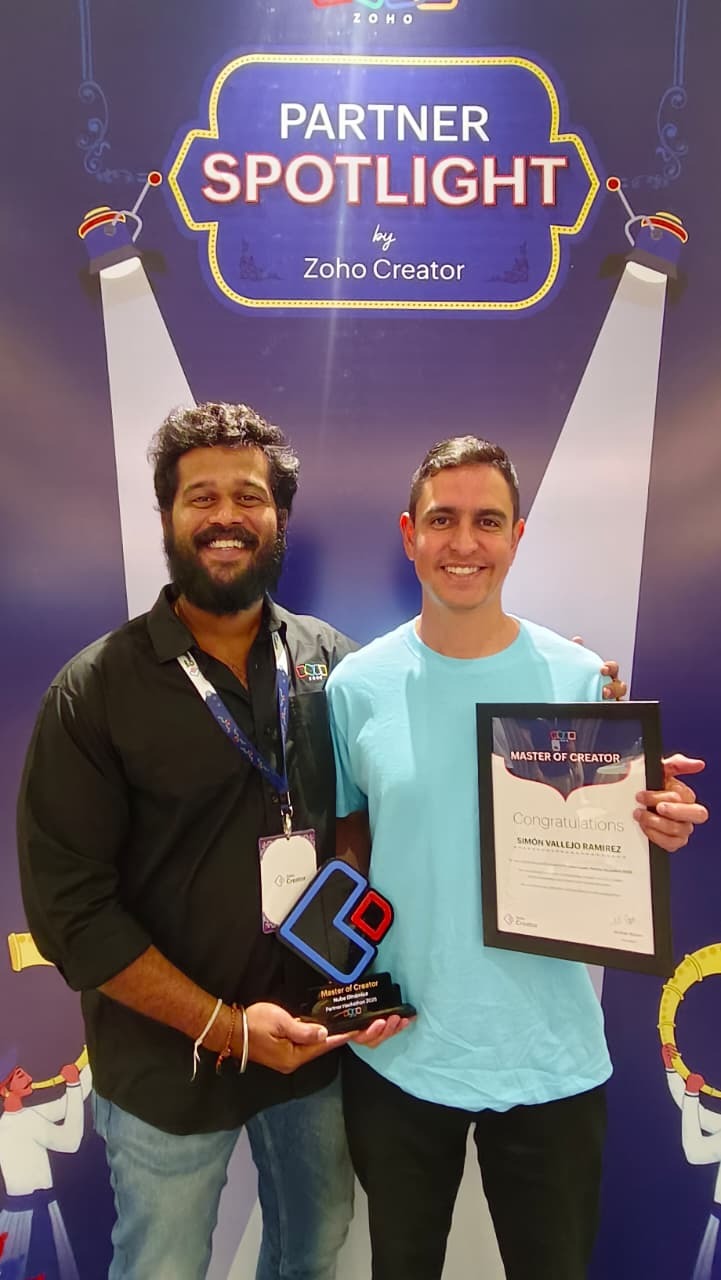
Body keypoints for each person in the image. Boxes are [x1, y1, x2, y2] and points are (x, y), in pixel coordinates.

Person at [16, 402, 403, 1280]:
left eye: (248, 496)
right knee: (160, 1267)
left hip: (310, 1040)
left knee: (312, 1253)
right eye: (201, 497)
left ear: (279, 518)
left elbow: (405, 788)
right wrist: (227, 1028)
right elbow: (73, 914)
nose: (226, 516)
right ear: (167, 516)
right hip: (166, 1058)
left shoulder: (334, 663)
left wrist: (575, 711)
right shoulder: (93, 691)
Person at [326, 435, 709, 1280]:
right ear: (408, 534)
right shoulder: (355, 687)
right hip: (401, 1051)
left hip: (549, 1055)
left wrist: (653, 823)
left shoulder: (579, 677)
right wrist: (345, 982)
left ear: (517, 536)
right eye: (442, 520)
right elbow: (348, 845)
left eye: (487, 521)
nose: (463, 543)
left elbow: (611, 835)